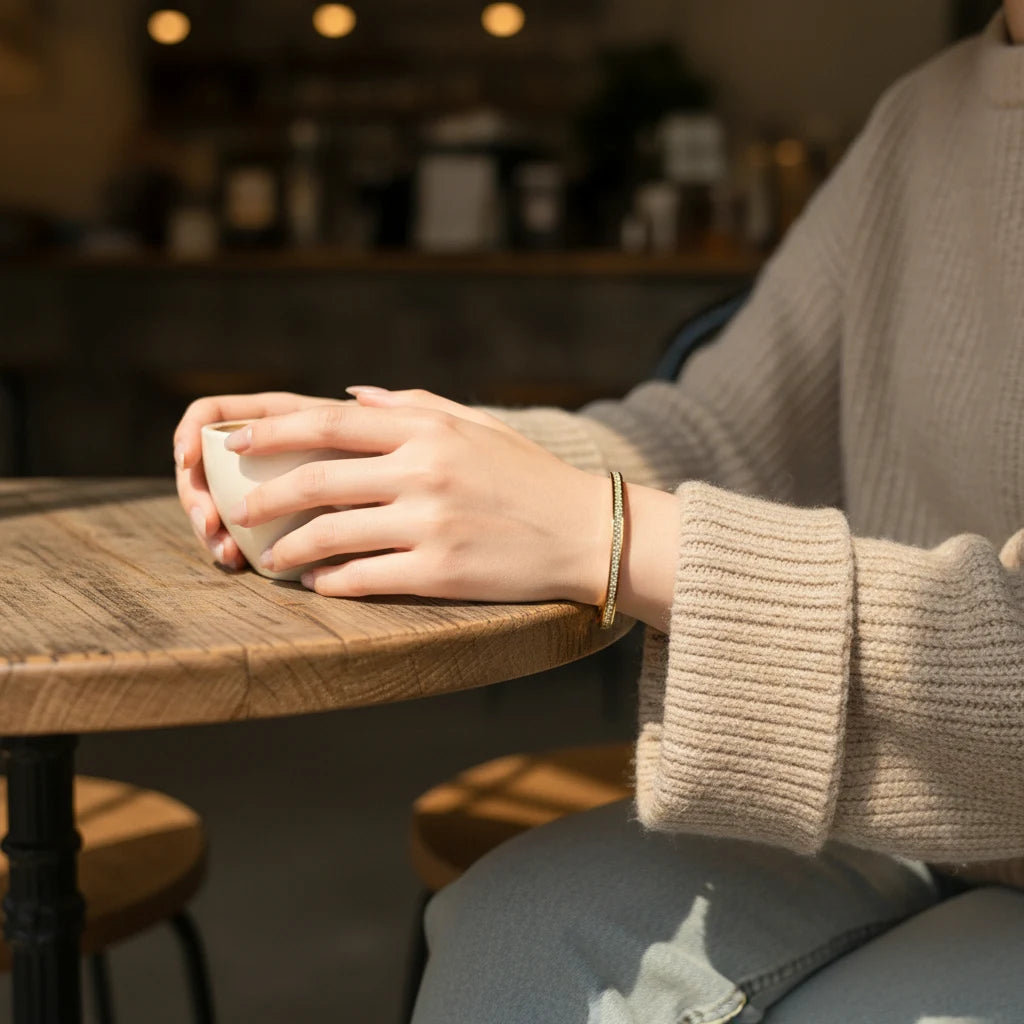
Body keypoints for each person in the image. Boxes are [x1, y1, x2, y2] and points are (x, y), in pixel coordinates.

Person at [174, 8, 1024, 1021]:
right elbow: (719, 430)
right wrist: (424, 468)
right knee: (516, 939)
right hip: (921, 813)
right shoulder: (929, 113)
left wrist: (601, 531)